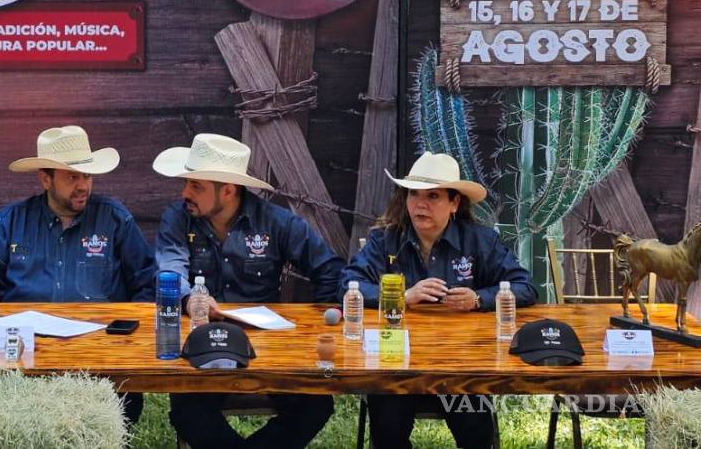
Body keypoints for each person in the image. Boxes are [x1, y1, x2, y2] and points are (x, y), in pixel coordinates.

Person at [0, 126, 155, 423]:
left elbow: (147, 280)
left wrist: (127, 339)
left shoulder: (113, 218)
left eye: (87, 176)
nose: (83, 185)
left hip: (99, 352)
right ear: (45, 179)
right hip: (24, 352)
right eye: (72, 177)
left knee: (117, 414)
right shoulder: (10, 220)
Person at [155, 133, 345, 448]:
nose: (185, 192)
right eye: (187, 183)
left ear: (228, 190)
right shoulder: (177, 219)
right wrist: (189, 299)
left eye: (196, 186)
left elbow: (329, 270)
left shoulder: (276, 222)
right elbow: (169, 270)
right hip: (202, 340)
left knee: (315, 404)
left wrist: (316, 324)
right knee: (187, 410)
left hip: (265, 344)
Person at [340, 151, 537, 449]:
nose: (420, 204)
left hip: (461, 366)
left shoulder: (480, 240)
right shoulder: (385, 239)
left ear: (454, 203)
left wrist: (478, 298)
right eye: (414, 194)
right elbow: (348, 286)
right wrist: (403, 296)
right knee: (387, 427)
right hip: (397, 364)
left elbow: (525, 286)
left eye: (433, 196)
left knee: (475, 432)